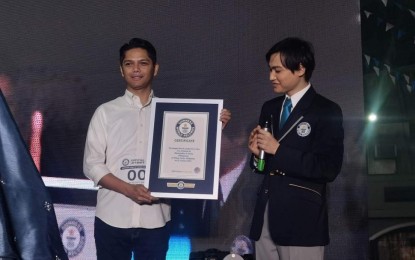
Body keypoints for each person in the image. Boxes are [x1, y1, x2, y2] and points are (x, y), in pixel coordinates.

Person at [83, 37, 231, 260]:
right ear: (121, 70)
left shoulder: (173, 115)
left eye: (143, 63)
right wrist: (128, 189)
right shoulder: (105, 112)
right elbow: (92, 165)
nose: (135, 69)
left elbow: (192, 153)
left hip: (156, 219)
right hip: (112, 218)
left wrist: (212, 128)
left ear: (155, 68)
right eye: (128, 64)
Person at [248, 37, 344, 260]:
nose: (271, 77)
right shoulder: (269, 107)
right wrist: (257, 156)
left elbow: (328, 169)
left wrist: (278, 150)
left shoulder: (326, 109)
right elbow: (263, 166)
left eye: (277, 70)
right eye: (270, 70)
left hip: (303, 220)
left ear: (300, 68)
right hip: (265, 217)